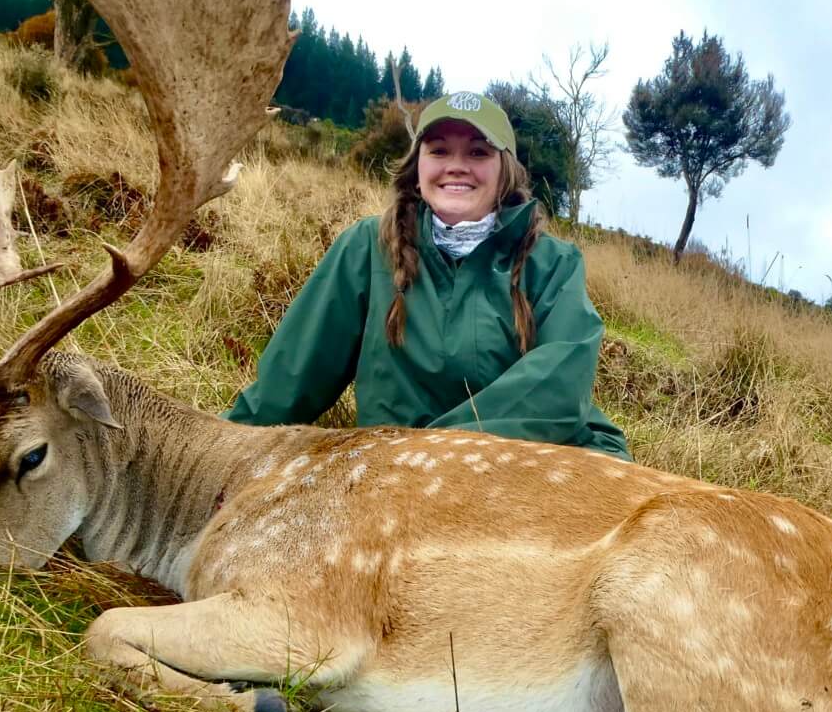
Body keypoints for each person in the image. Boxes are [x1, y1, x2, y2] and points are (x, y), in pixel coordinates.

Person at [225, 90, 631, 457]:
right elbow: (292, 377)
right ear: (417, 166)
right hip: (398, 479)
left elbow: (560, 384)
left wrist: (430, 456)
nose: (457, 167)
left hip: (521, 464)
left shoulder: (553, 263)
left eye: (478, 153)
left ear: (505, 169)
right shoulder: (367, 248)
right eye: (438, 151)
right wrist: (220, 451)